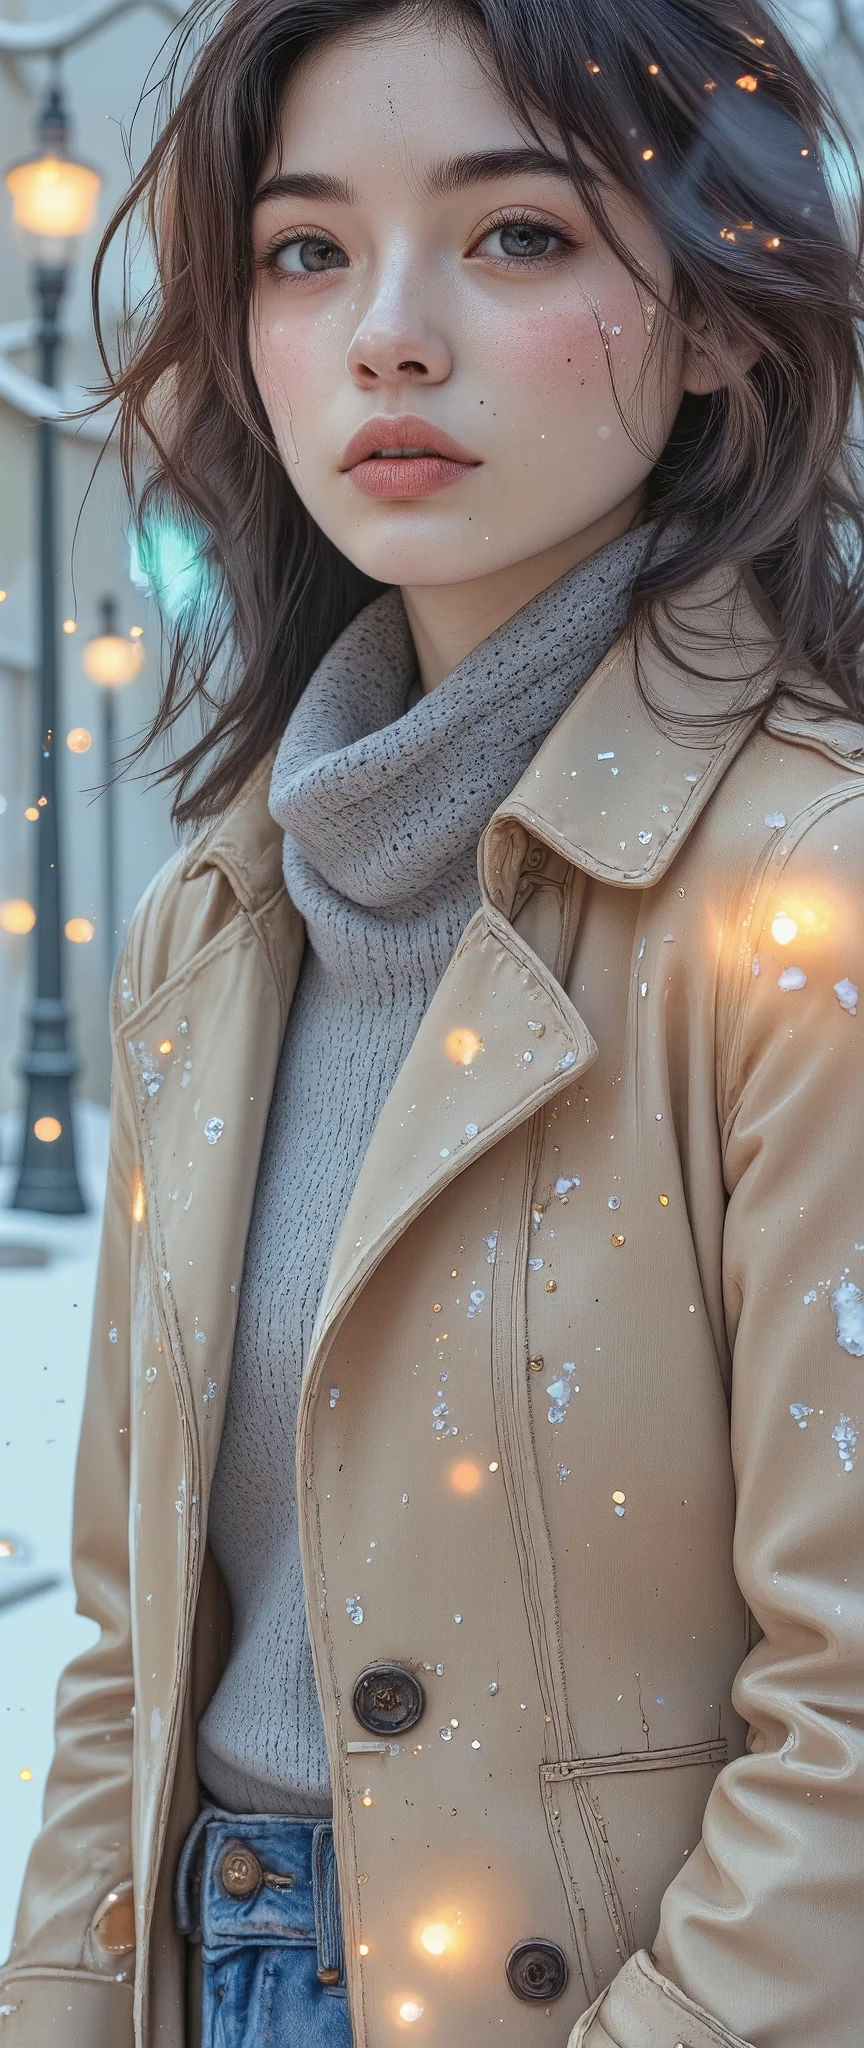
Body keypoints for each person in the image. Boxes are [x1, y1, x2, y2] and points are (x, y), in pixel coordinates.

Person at [3, 0, 864, 2042]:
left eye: (518, 236)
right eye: (308, 251)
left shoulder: (800, 902)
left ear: (726, 316)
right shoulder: (214, 916)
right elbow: (128, 1655)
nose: (390, 331)